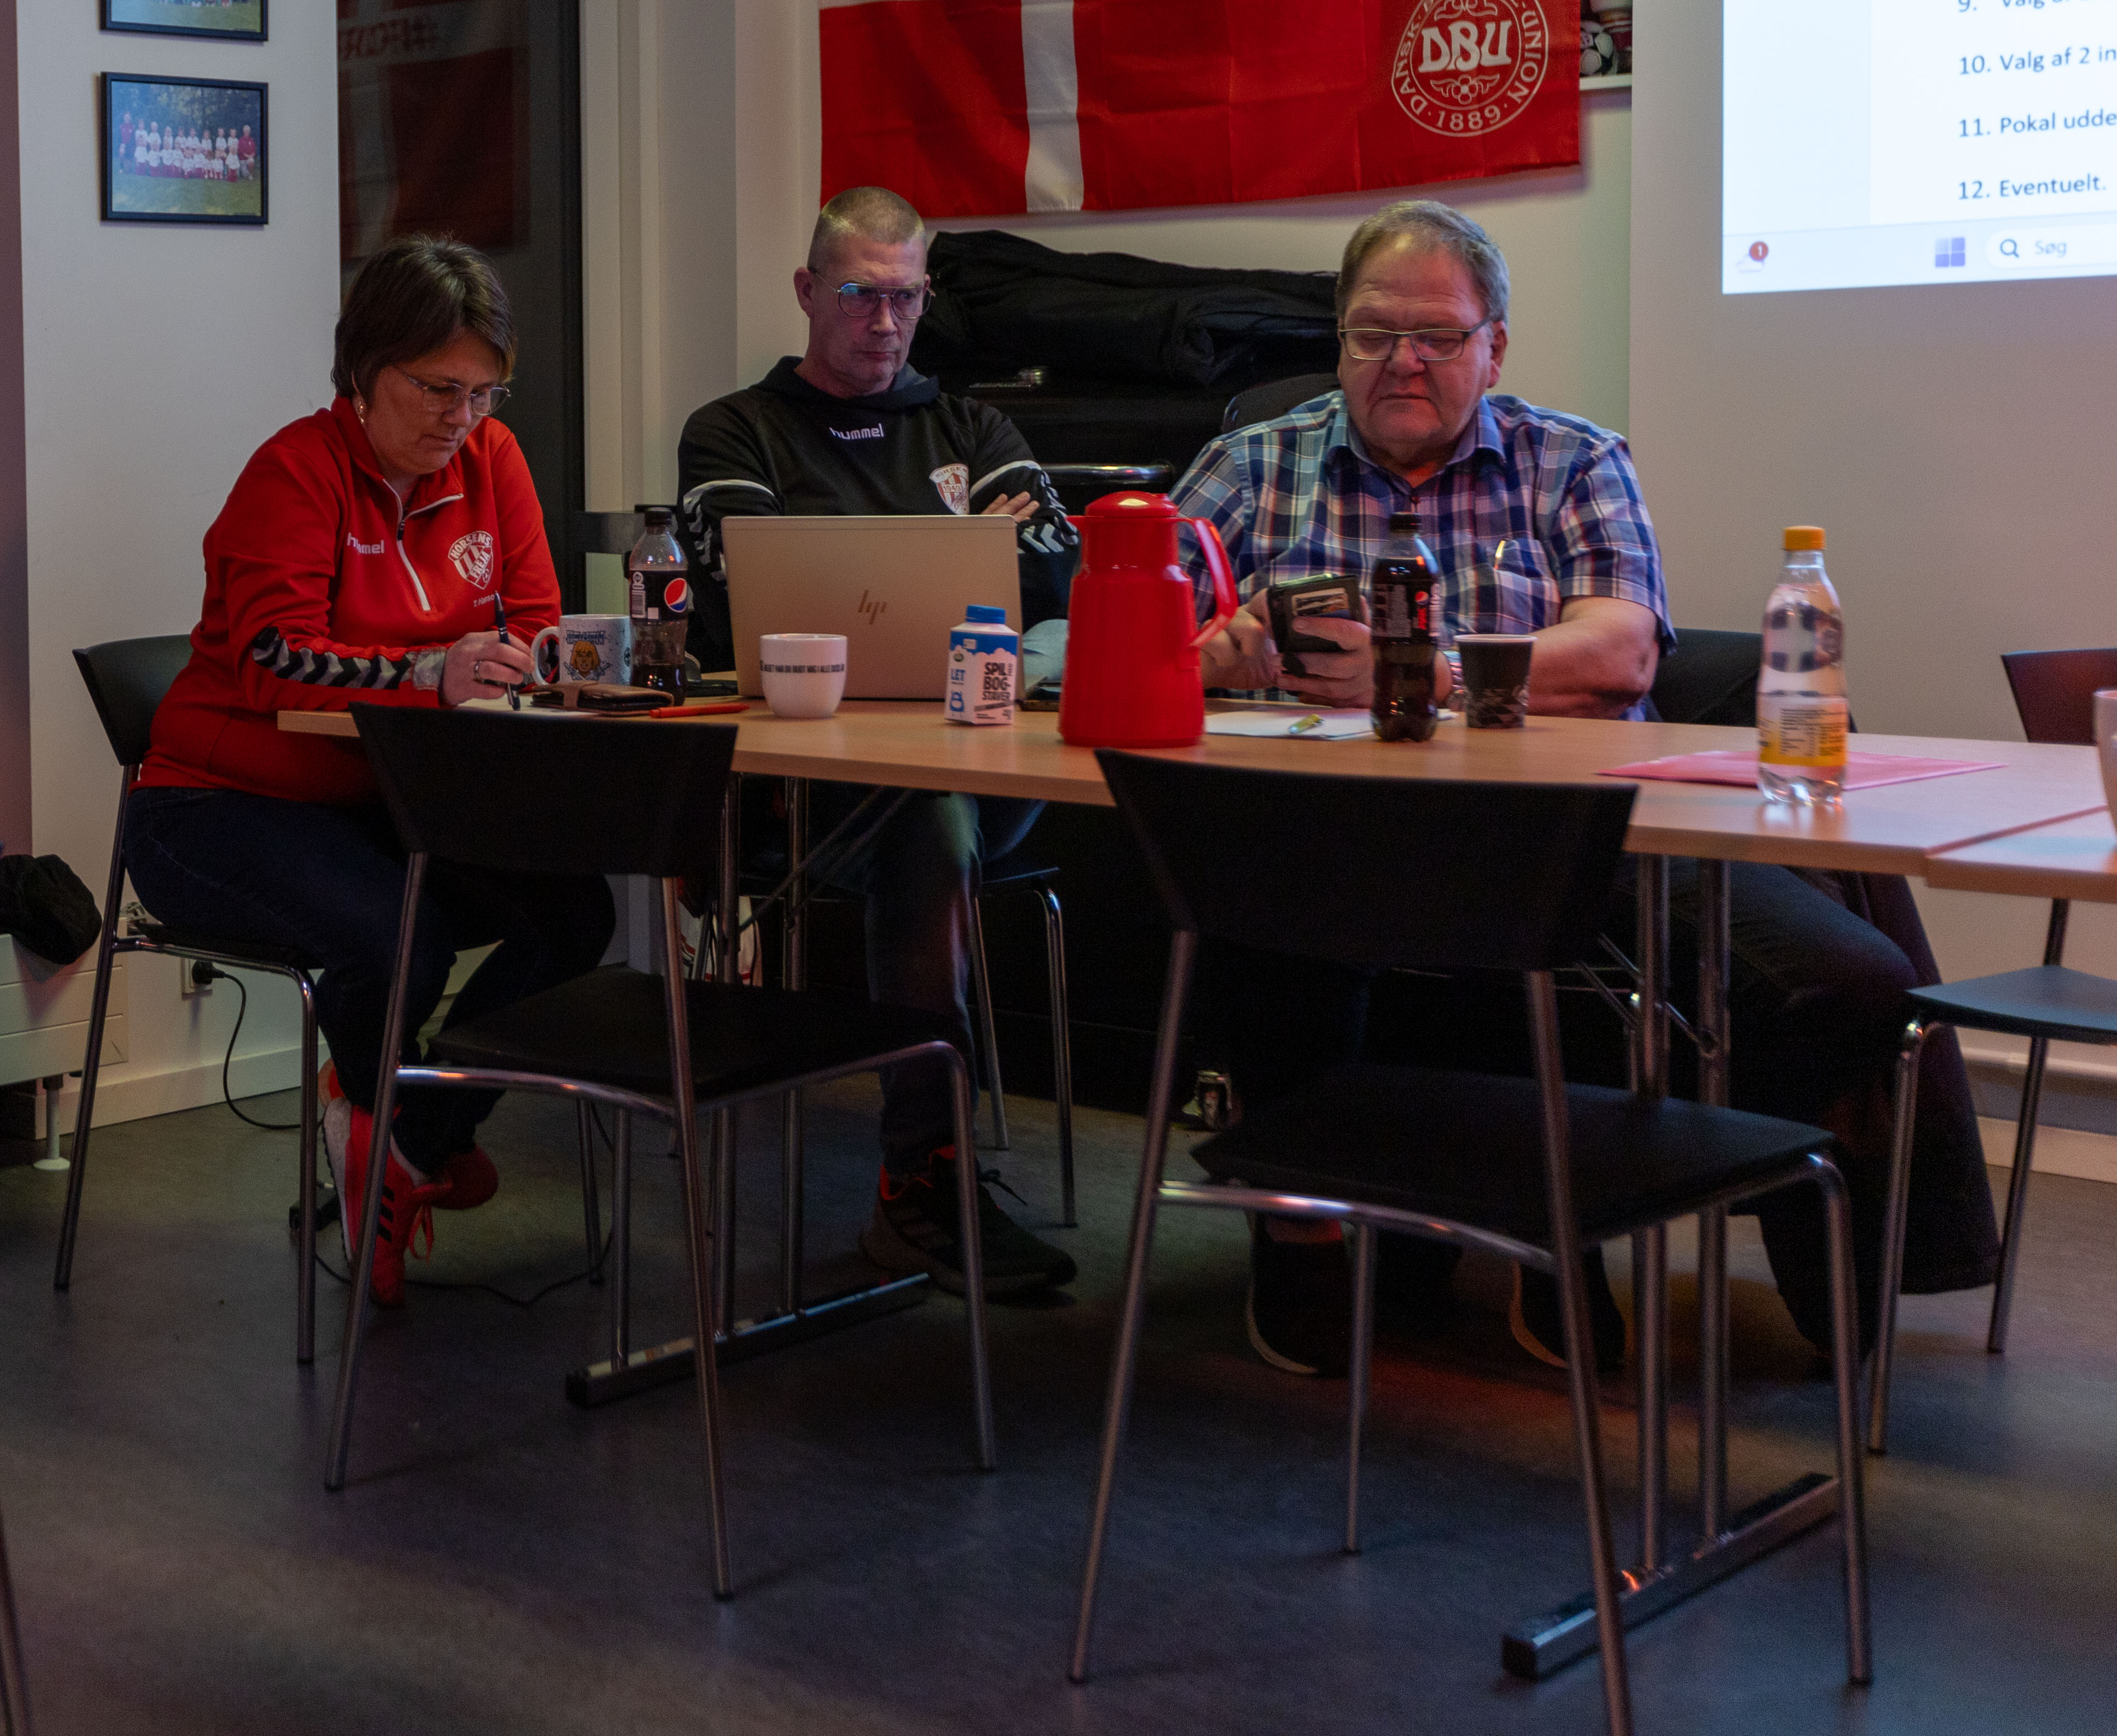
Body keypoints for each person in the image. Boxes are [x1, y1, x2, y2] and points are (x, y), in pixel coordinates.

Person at [1173, 197, 1999, 1376]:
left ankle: (1645, 1220)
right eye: (1373, 333)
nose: (1403, 359)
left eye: (1438, 336)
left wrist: (1423, 669)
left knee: (1846, 981)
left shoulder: (1571, 458)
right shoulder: (1251, 464)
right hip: (1331, 840)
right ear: (1338, 337)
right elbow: (1113, 634)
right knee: (1258, 923)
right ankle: (1307, 1234)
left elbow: (1620, 652)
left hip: (1574, 835)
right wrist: (1213, 652)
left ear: (1495, 347)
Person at [123, 237, 611, 1308]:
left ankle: (404, 1143)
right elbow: (272, 659)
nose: (461, 417)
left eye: (483, 392)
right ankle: (387, 1137)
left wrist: (521, 662)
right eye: (436, 388)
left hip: (384, 801)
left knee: (574, 918)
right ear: (365, 370)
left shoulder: (494, 461)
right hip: (213, 804)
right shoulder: (294, 470)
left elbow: (533, 622)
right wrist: (432, 672)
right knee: (400, 938)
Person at [674, 185, 1081, 1303]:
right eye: (861, 294)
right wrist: (961, 550)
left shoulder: (975, 428)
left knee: (946, 809)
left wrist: (855, 564)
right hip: (808, 791)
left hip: (983, 766)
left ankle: (926, 1178)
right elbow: (744, 592)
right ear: (808, 292)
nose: (887, 321)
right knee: (925, 823)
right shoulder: (735, 430)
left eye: (906, 297)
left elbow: (1055, 571)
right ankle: (924, 1178)